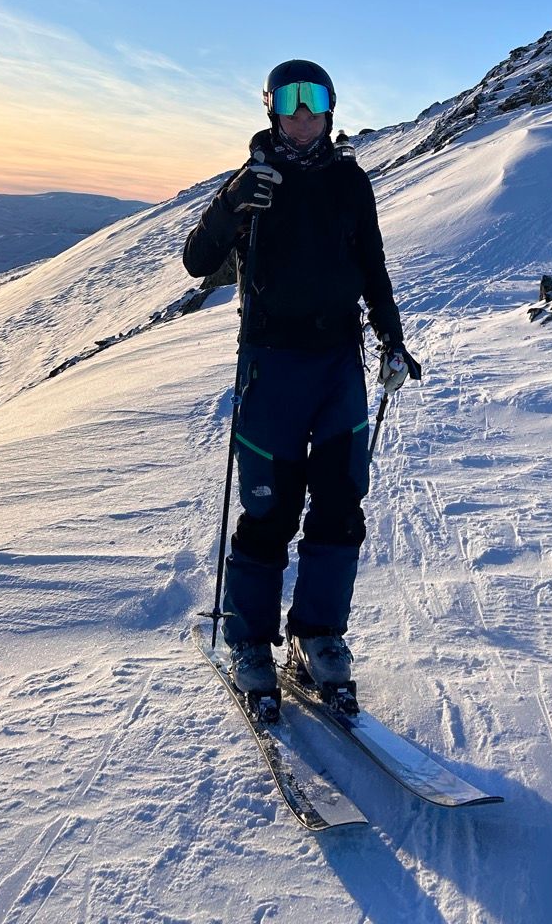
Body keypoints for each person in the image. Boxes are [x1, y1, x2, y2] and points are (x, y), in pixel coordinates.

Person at [183, 58, 418, 707]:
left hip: (338, 362)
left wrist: (392, 338)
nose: (304, 112)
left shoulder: (349, 181)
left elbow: (372, 267)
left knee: (340, 507)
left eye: (315, 98)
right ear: (272, 109)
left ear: (332, 107)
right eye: (291, 99)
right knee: (270, 509)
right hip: (272, 364)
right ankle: (250, 642)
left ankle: (318, 635)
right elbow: (197, 261)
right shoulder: (252, 183)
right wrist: (230, 205)